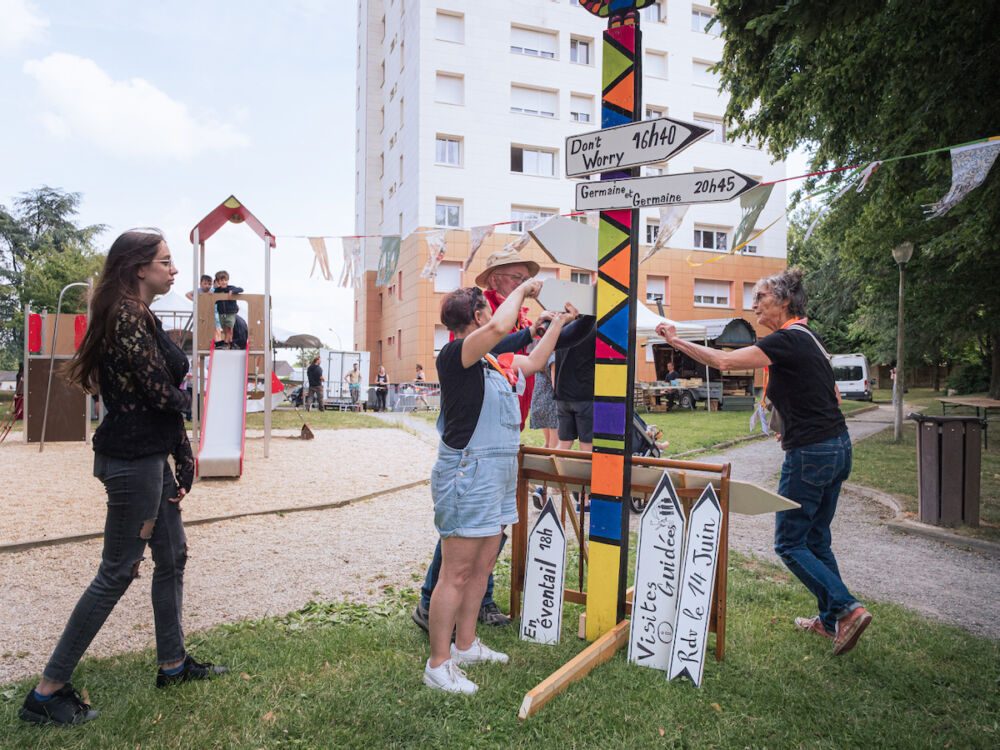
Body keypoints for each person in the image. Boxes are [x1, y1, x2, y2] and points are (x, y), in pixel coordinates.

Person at [19, 229, 227, 728]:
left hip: (151, 455)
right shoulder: (126, 316)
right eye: (166, 261)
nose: (174, 270)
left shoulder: (142, 313)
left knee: (172, 555)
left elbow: (159, 397)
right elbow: (158, 392)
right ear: (139, 268)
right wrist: (199, 404)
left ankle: (173, 664)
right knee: (117, 570)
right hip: (132, 461)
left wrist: (182, 451)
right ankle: (46, 693)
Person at [655, 268, 871, 656]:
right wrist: (788, 423)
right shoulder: (809, 338)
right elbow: (830, 396)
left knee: (789, 543)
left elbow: (723, 362)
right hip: (837, 447)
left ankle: (847, 609)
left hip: (812, 453)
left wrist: (675, 340)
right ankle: (830, 621)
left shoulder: (787, 339)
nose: (753, 305)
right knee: (816, 539)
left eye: (760, 297)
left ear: (784, 301)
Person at [424, 280, 577, 693]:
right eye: (487, 310)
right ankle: (438, 664)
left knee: (482, 567)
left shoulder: (494, 360)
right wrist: (524, 289)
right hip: (468, 475)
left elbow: (537, 360)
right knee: (455, 573)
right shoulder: (456, 354)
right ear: (477, 316)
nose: (494, 315)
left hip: (497, 474)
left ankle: (465, 644)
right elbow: (497, 329)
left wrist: (558, 323)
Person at [529, 352, 559, 508]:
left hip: (539, 401)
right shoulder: (554, 356)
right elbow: (555, 383)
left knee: (547, 445)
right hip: (551, 404)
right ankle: (544, 488)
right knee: (555, 448)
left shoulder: (541, 353)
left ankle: (533, 477)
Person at [212, 271, 243, 348]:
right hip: (222, 313)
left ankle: (226, 342)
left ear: (228, 281)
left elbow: (241, 289)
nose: (224, 282)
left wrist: (232, 291)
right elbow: (214, 299)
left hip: (231, 312)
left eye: (225, 280)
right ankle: (230, 342)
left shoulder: (230, 288)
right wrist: (211, 295)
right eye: (221, 280)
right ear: (218, 281)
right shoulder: (217, 291)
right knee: (225, 329)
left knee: (230, 328)